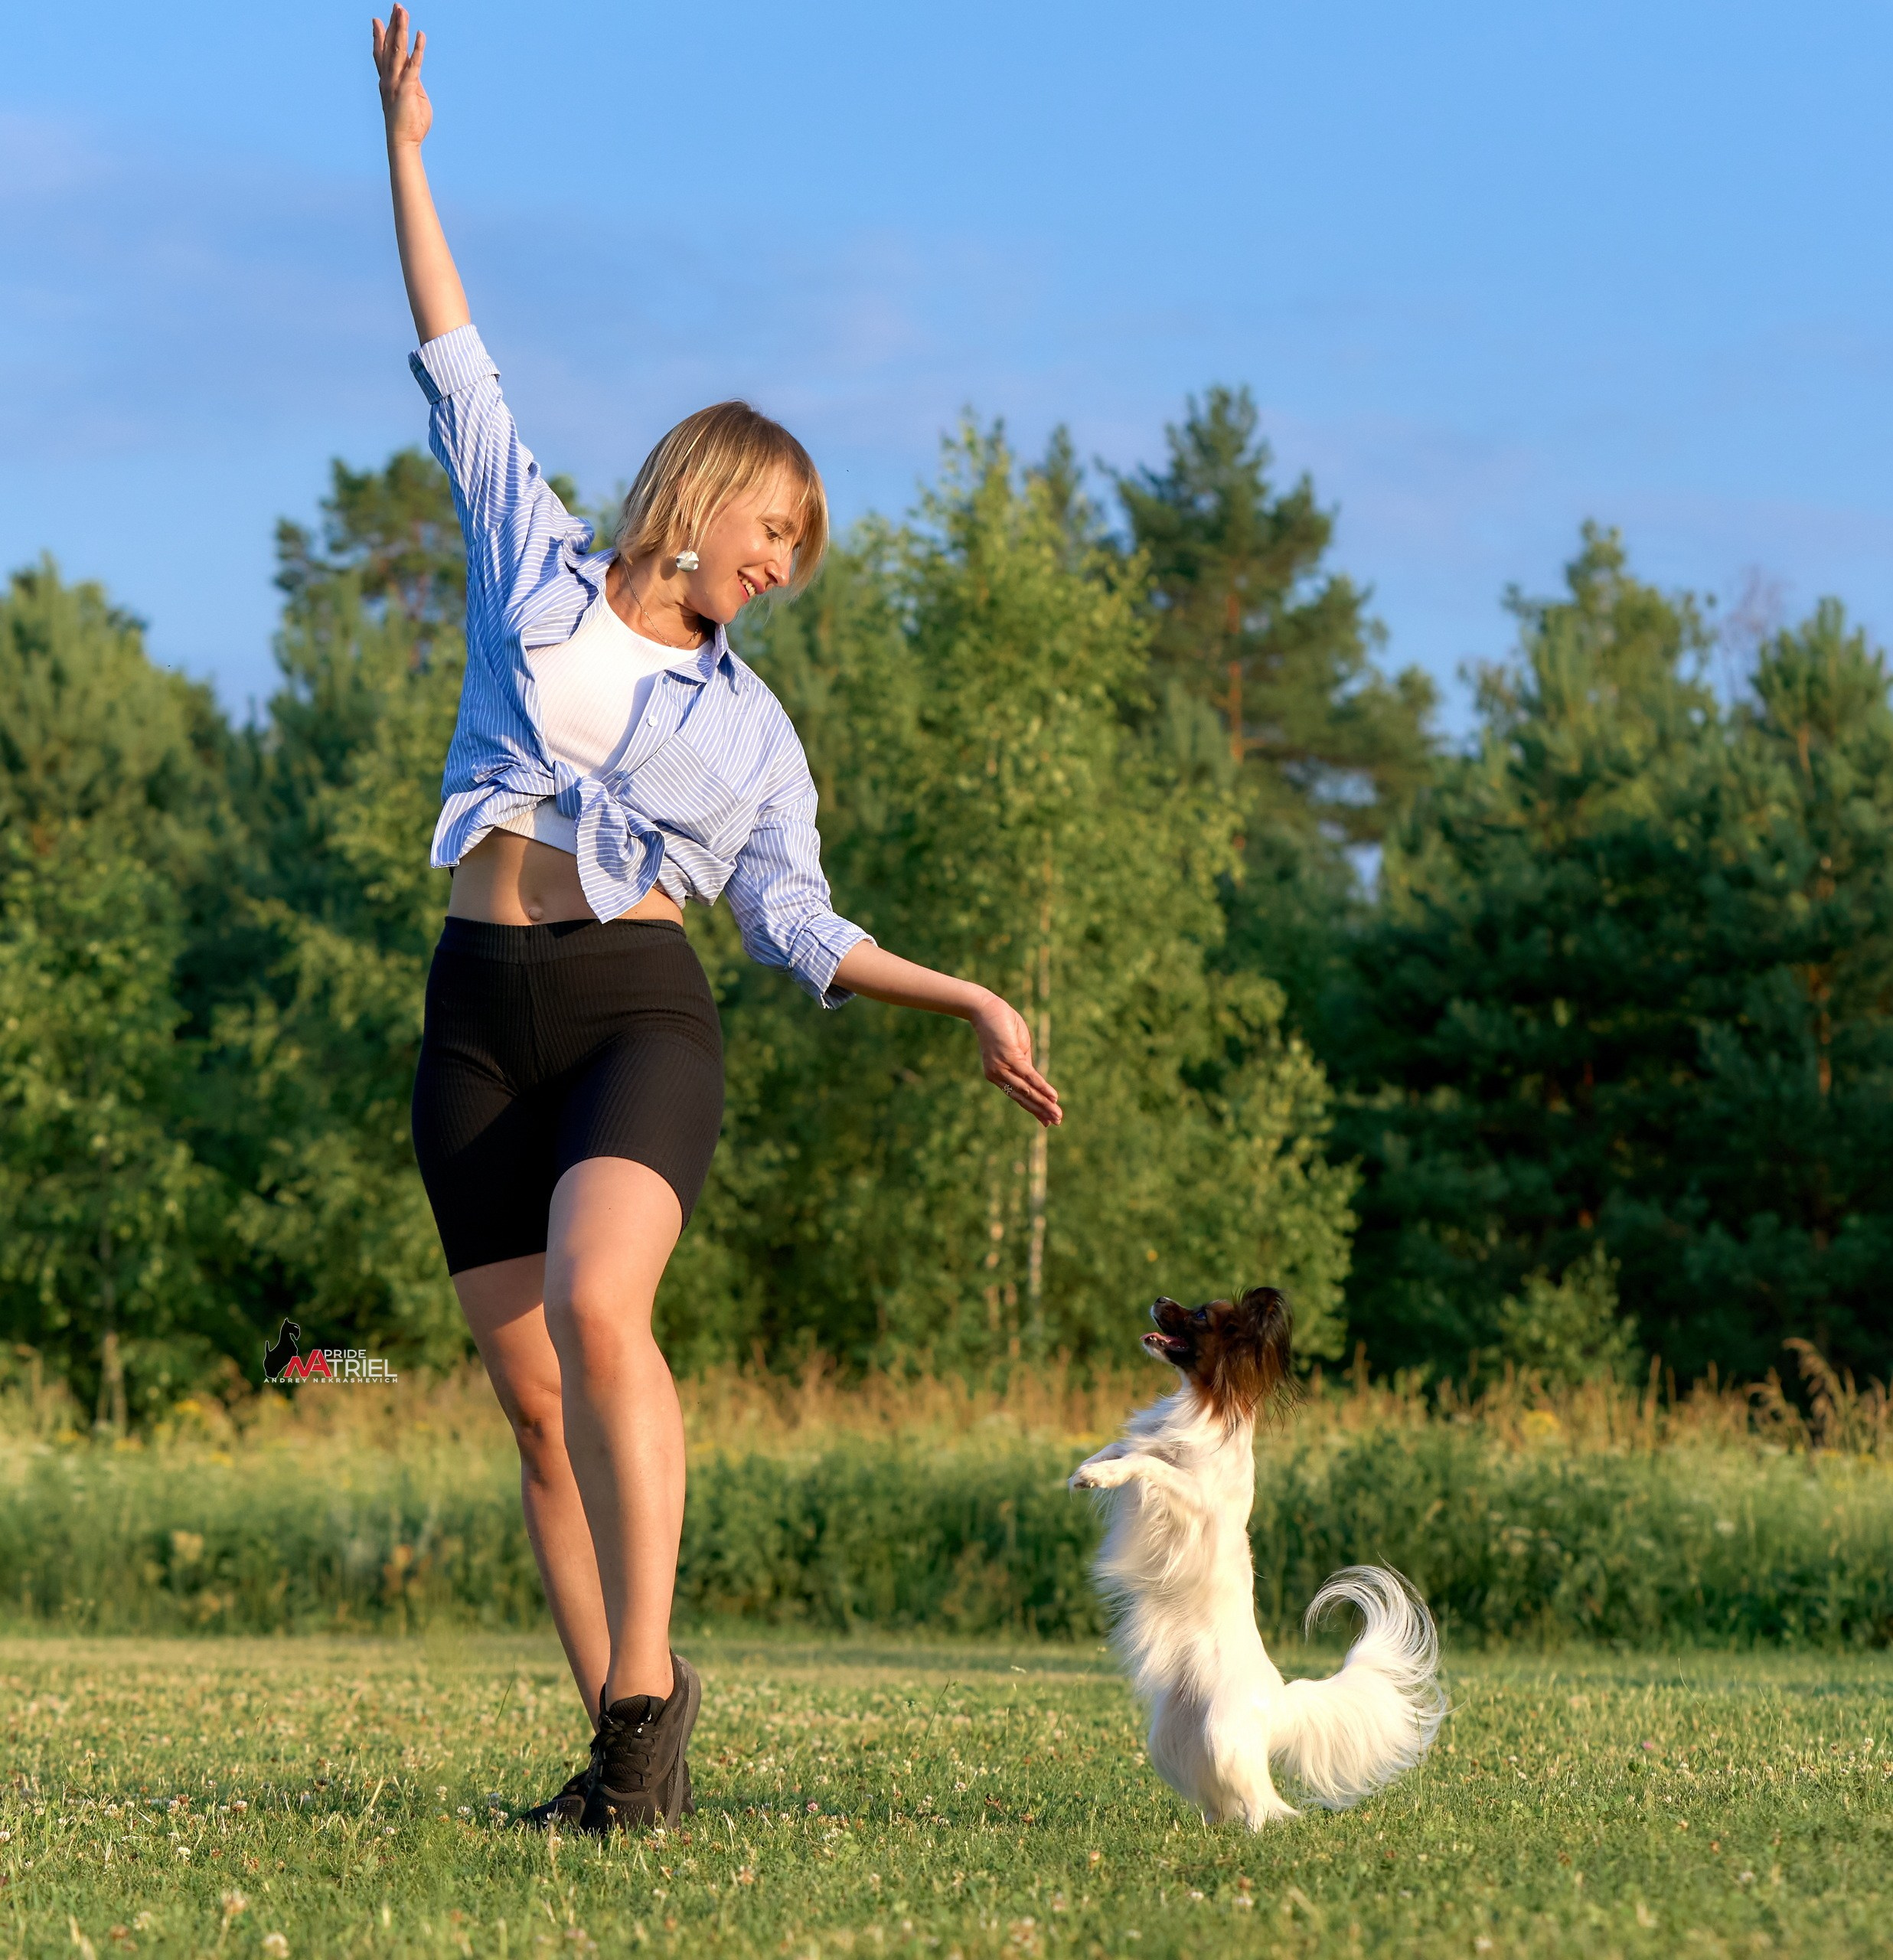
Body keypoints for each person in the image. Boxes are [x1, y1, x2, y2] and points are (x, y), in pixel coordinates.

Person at [370, 8, 1062, 1835]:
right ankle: (619, 1764)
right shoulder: (534, 554)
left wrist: (965, 992)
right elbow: (455, 360)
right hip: (473, 1002)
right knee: (530, 1405)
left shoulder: (753, 731)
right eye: (778, 526)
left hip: (635, 1011)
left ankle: (653, 1706)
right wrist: (411, 148)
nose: (785, 563)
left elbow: (796, 922)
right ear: (708, 486)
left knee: (607, 1307)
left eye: (801, 553)